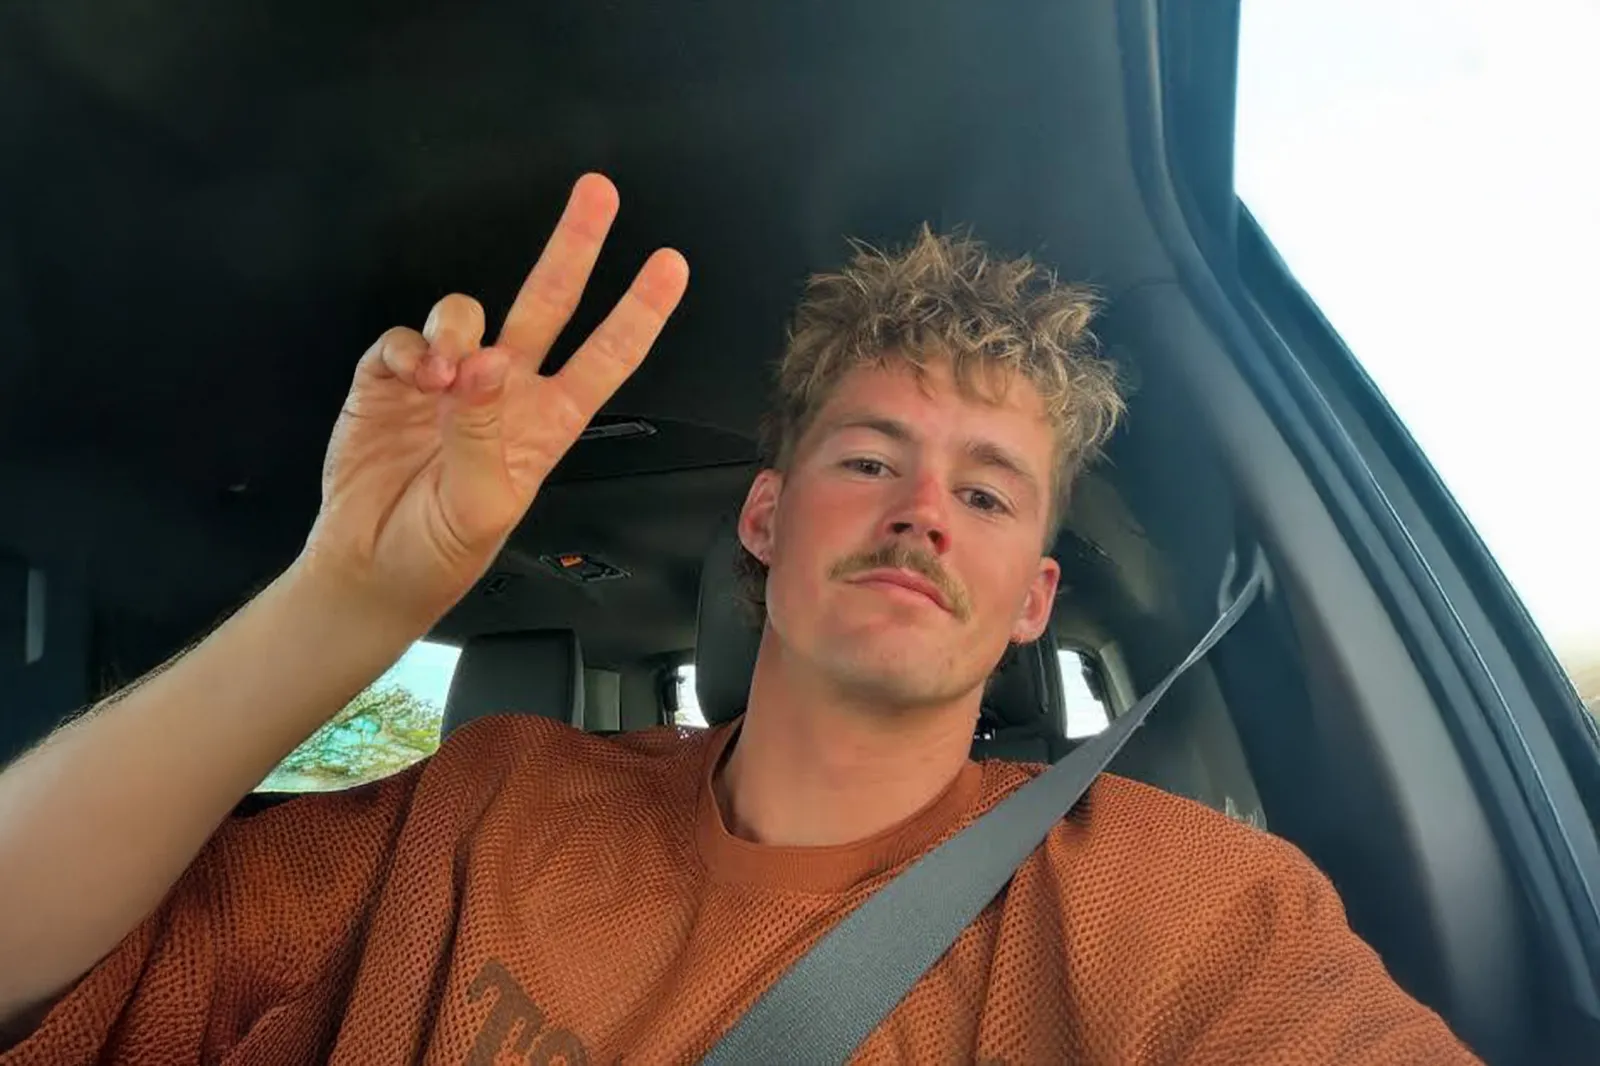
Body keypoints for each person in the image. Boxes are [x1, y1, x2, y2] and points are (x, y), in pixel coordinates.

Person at [0, 174, 1479, 1065]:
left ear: (1033, 601)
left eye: (986, 491)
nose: (922, 511)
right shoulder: (481, 809)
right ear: (765, 521)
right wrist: (340, 603)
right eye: (869, 460)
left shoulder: (1188, 915)